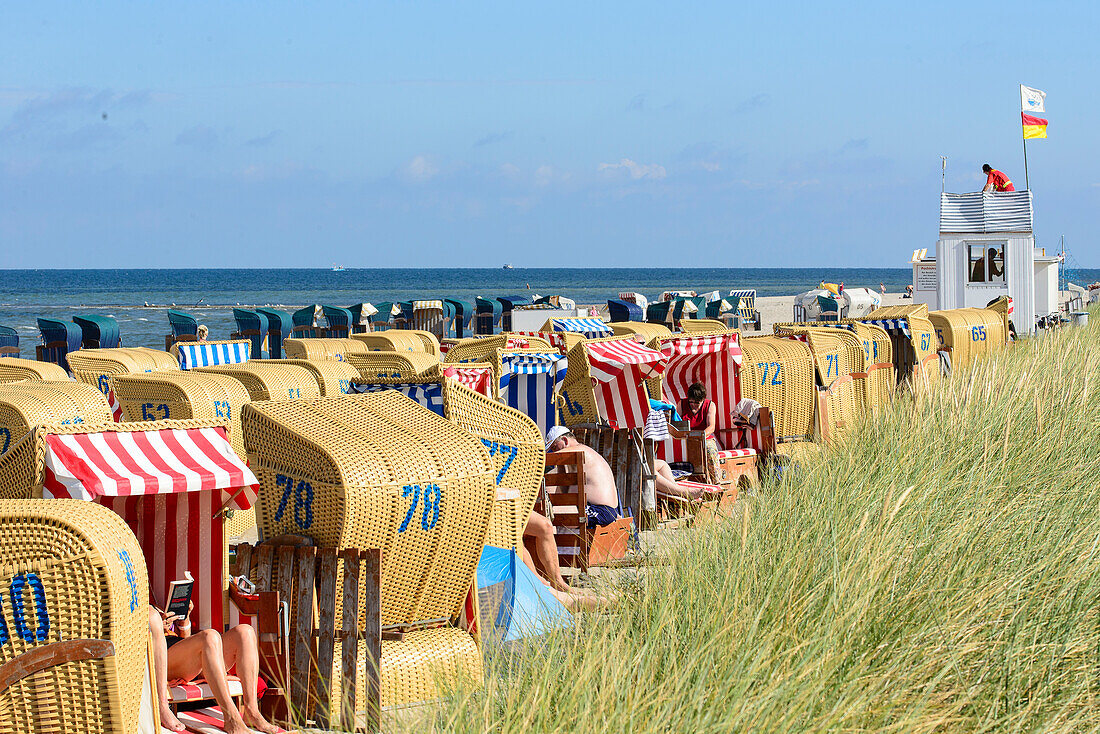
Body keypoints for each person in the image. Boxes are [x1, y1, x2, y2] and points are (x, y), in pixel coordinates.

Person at [148, 603, 282, 734]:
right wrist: (157, 628)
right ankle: (231, 718)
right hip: (165, 658)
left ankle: (252, 711)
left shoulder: (157, 605)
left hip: (188, 655)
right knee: (209, 636)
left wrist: (185, 618)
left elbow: (185, 639)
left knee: (245, 632)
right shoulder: (140, 612)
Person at [545, 426, 620, 529]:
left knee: (547, 513)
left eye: (554, 447)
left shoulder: (578, 450)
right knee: (549, 511)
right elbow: (561, 488)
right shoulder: (582, 453)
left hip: (601, 510)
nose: (554, 452)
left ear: (565, 440)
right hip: (603, 509)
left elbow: (550, 459)